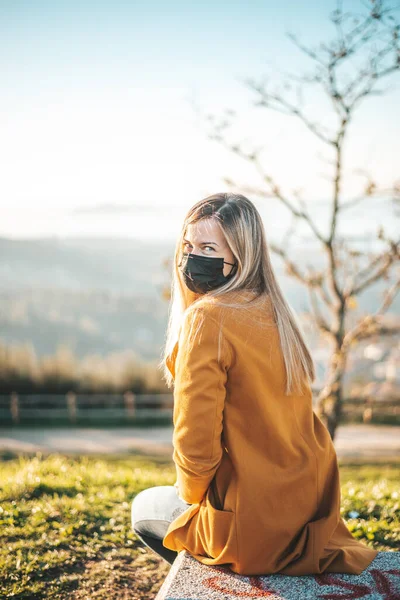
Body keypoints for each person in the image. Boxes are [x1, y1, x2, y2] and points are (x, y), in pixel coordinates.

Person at [131, 192, 379, 575]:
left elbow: (195, 448)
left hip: (251, 530)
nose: (192, 257)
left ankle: (218, 582)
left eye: (209, 247)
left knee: (144, 506)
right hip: (308, 515)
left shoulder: (206, 319)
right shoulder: (274, 310)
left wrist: (193, 499)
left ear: (239, 257)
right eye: (188, 245)